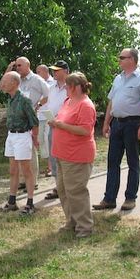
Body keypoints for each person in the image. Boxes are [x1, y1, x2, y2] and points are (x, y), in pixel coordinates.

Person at [93, 48, 140, 211]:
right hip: (117, 124)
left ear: (132, 59)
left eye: (122, 57)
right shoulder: (118, 79)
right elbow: (111, 102)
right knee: (113, 162)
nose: (118, 60)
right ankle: (109, 198)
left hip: (133, 124)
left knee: (133, 161)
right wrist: (106, 123)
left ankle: (130, 198)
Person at [49, 72, 96, 238]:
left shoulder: (85, 105)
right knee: (63, 189)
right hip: (62, 154)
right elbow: (62, 119)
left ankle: (85, 226)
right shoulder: (68, 101)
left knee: (76, 191)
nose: (65, 89)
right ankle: (72, 221)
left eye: (68, 86)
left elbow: (85, 130)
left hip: (77, 155)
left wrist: (61, 125)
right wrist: (55, 121)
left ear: (75, 87)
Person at [0, 71, 39, 215]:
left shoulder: (24, 100)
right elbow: (0, 86)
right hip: (11, 136)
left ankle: (30, 203)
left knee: (26, 170)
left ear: (14, 83)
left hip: (22, 136)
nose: (3, 84)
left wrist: (35, 138)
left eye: (6, 81)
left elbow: (34, 121)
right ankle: (12, 201)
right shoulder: (11, 98)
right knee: (13, 170)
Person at [6, 57, 49, 189]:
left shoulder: (36, 79)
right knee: (20, 152)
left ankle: (33, 181)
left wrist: (37, 106)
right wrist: (9, 69)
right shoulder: (17, 80)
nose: (17, 68)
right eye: (16, 66)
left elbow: (48, 93)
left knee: (31, 149)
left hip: (31, 118)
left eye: (20, 65)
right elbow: (3, 85)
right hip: (19, 120)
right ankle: (23, 181)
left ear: (28, 65)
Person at [42, 60, 69, 200]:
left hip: (66, 127)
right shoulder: (51, 87)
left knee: (64, 158)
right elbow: (49, 104)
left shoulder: (71, 87)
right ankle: (58, 186)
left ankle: (66, 187)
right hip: (52, 126)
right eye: (54, 70)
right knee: (53, 156)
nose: (54, 73)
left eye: (57, 70)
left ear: (65, 71)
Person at [35, 64, 55, 177]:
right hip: (40, 115)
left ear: (45, 72)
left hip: (48, 115)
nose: (37, 74)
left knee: (49, 140)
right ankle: (48, 165)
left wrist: (38, 104)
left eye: (39, 72)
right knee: (41, 140)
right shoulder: (39, 83)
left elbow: (47, 98)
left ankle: (51, 167)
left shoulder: (52, 83)